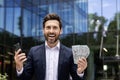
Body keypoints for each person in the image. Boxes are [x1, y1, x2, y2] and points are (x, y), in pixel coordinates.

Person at [14, 13, 87, 80]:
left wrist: (80, 72)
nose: (51, 31)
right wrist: (19, 68)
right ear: (43, 30)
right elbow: (25, 78)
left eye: (55, 28)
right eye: (48, 27)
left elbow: (76, 78)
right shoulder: (33, 52)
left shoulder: (69, 53)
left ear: (60, 30)